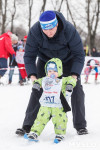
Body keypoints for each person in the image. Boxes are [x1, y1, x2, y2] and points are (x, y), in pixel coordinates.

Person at [16, 10, 88, 136]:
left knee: (76, 90)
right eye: (45, 29)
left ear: (57, 25)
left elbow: (79, 55)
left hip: (67, 61)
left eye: (51, 29)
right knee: (37, 90)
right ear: (41, 27)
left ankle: (80, 126)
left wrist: (74, 75)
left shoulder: (69, 29)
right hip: (46, 63)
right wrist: (33, 76)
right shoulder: (35, 31)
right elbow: (29, 56)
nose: (49, 32)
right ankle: (27, 125)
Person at [24, 58, 76, 143]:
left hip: (58, 106)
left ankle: (60, 134)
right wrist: (36, 84)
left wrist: (70, 85)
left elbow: (72, 79)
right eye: (50, 71)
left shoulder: (62, 80)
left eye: (54, 71)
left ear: (59, 70)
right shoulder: (45, 79)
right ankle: (34, 132)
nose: (52, 73)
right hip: (45, 104)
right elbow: (38, 81)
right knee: (40, 119)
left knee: (60, 120)